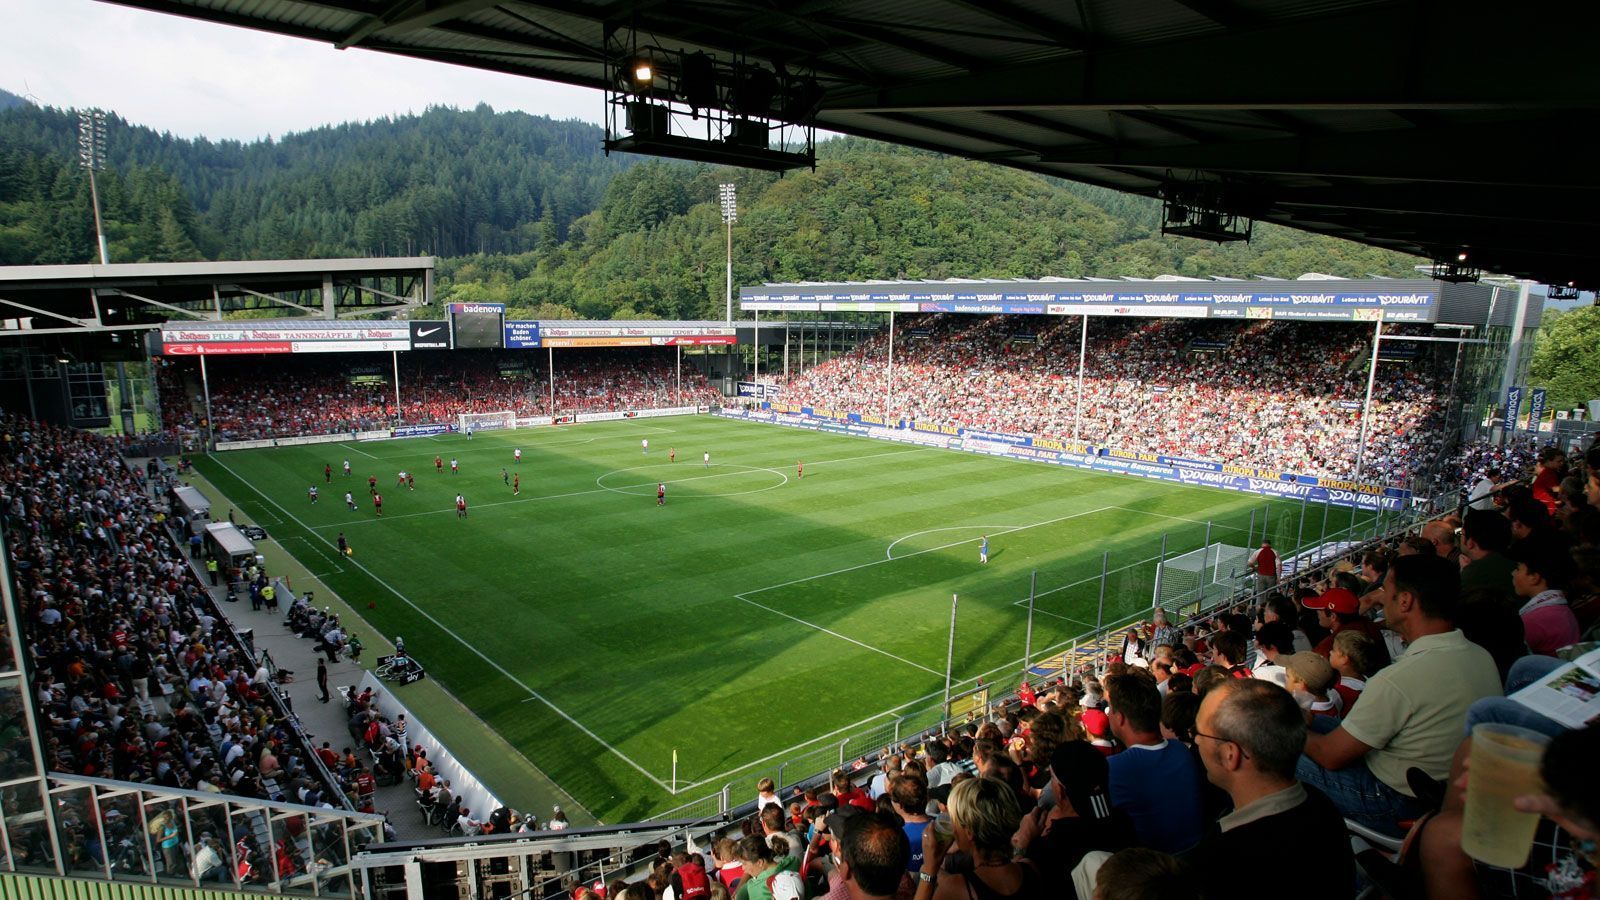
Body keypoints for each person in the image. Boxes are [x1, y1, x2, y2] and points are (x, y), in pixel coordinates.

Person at [1297, 553, 1501, 834]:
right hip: (1443, 788)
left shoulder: (1398, 679)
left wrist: (1291, 727)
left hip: (1399, 802)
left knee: (1272, 741)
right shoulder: (1480, 655)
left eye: (1387, 593)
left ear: (1405, 601)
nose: (1380, 599)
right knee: (1318, 723)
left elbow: (1331, 755)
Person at [1183, 679, 1354, 900]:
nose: (1196, 739)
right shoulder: (1320, 802)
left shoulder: (1220, 860)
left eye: (1198, 733)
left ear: (1230, 754)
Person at [1014, 740, 1136, 895]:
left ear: (1060, 790)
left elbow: (1022, 889)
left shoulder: (1049, 845)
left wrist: (1022, 846)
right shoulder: (1123, 821)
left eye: (1051, 777)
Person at [1103, 673, 1207, 853]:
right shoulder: (1180, 749)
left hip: (1160, 869)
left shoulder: (1113, 768)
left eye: (1111, 708)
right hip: (1199, 852)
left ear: (1120, 717)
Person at [913, 777, 1042, 900]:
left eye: (953, 819)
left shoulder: (957, 889)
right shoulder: (1030, 868)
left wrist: (929, 871)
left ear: (969, 832)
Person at [1510, 540, 1580, 655]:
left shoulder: (1533, 619)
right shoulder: (1559, 607)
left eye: (1518, 569)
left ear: (1534, 577)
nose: (1513, 573)